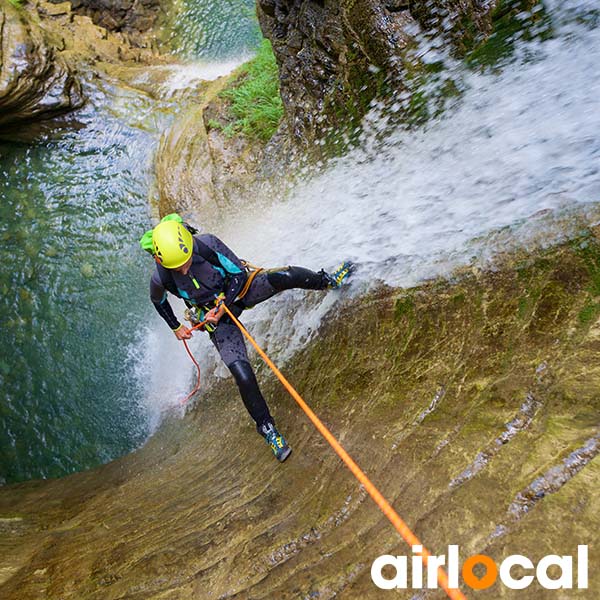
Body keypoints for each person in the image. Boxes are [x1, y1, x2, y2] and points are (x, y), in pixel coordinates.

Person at [140, 214, 354, 462]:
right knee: (242, 373)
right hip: (216, 319)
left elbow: (239, 274)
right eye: (179, 267)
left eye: (187, 261)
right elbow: (159, 302)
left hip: (238, 291)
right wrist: (176, 327)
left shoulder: (206, 244)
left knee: (286, 276)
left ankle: (328, 281)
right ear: (159, 260)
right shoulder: (161, 278)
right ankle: (267, 429)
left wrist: (224, 304)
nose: (185, 268)